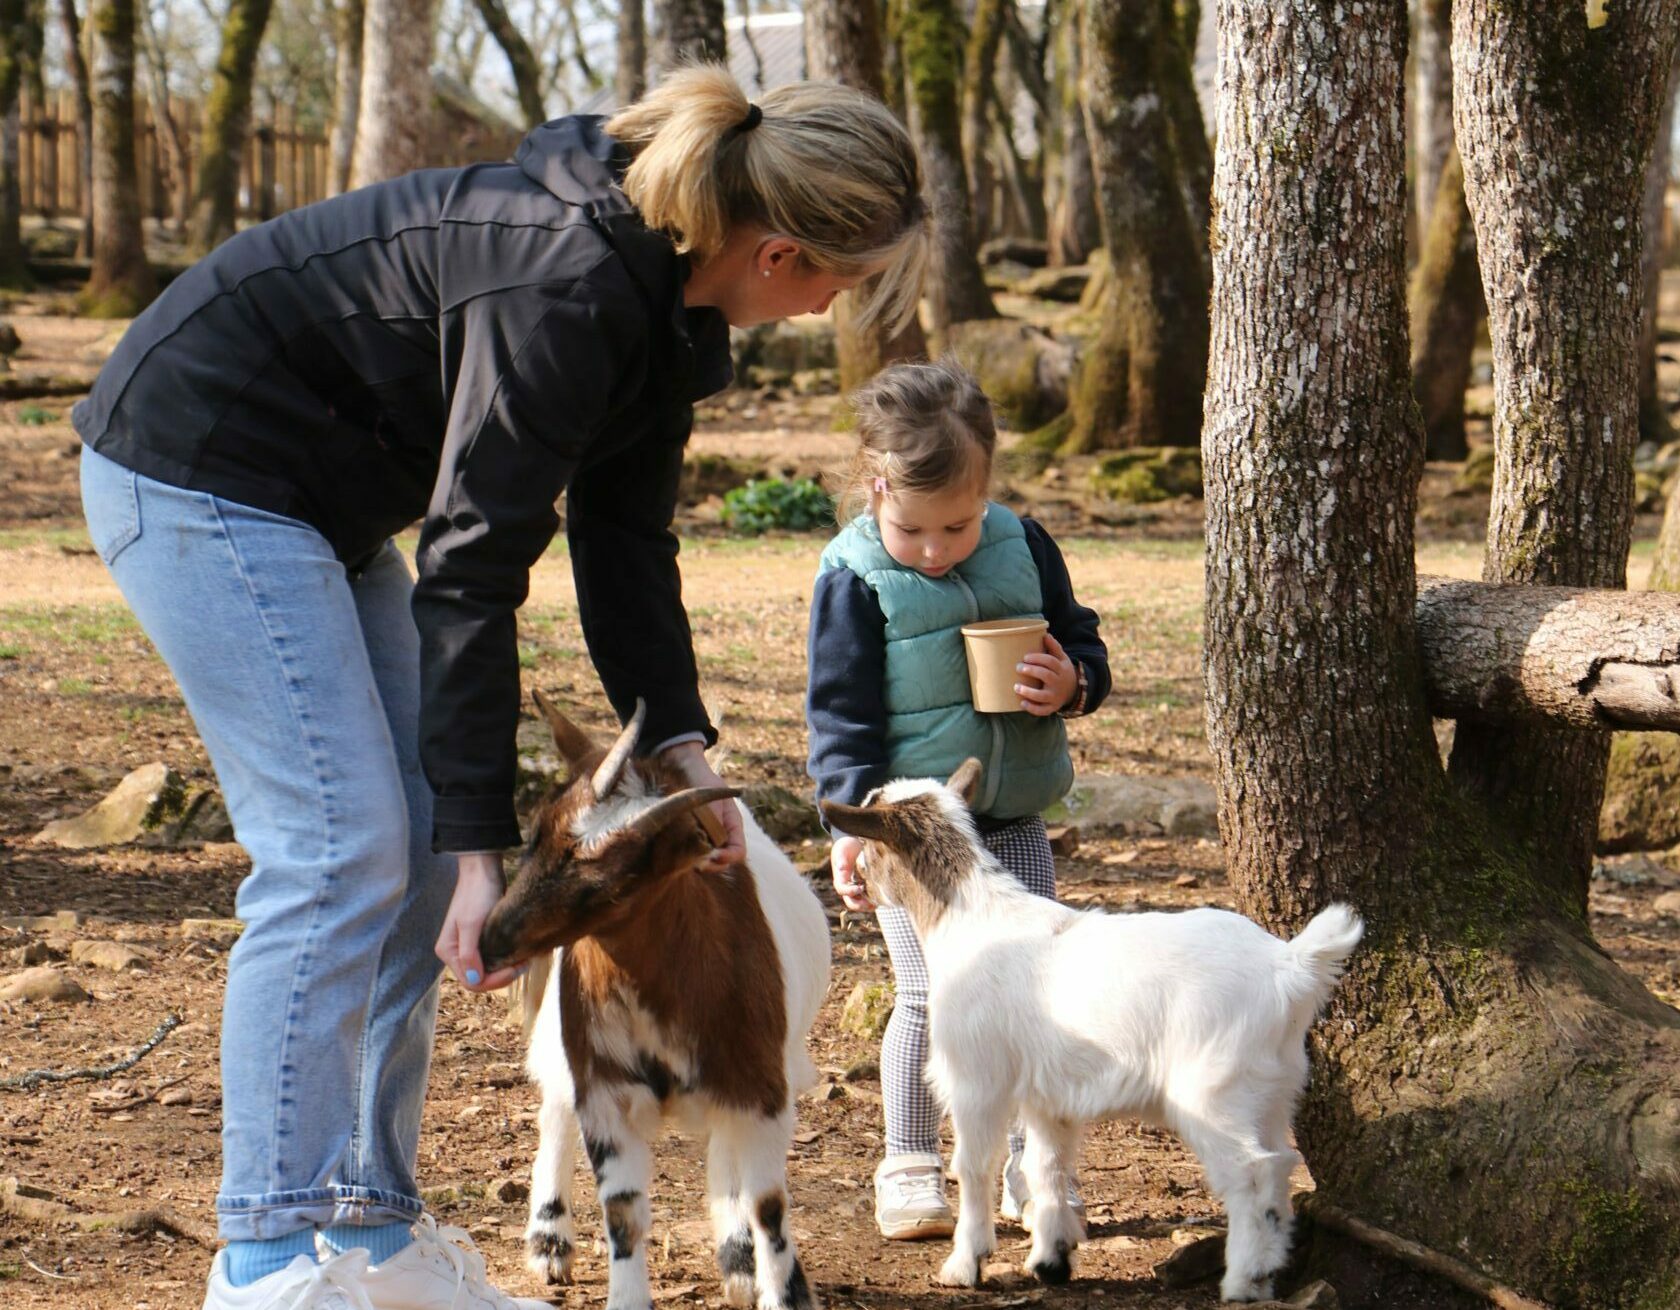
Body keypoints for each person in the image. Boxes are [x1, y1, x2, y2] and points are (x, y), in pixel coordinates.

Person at [75, 65, 927, 1310]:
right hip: (202, 466)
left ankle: (366, 1230)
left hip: (324, 497)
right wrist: (486, 843)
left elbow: (624, 543)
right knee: (340, 848)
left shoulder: (670, 308)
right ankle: (267, 1261)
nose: (828, 310)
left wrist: (685, 748)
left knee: (413, 852)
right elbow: (473, 568)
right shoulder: (564, 280)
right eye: (841, 287)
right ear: (783, 252)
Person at [805, 360, 1111, 1241]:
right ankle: (908, 1160)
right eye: (914, 529)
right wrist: (852, 828)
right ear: (876, 489)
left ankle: (1030, 1164)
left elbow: (1079, 637)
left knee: (1038, 992)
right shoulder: (854, 574)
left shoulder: (1024, 543)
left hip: (1010, 817)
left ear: (989, 493)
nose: (937, 550)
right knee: (930, 994)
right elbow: (839, 714)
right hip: (912, 841)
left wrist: (1073, 681)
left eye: (960, 525)